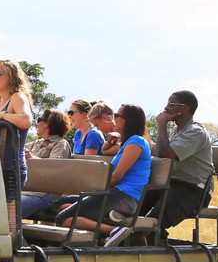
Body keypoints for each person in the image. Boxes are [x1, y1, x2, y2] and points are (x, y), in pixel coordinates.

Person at [55, 103, 152, 246]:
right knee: (58, 204)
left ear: (128, 120)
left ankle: (115, 230)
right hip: (115, 193)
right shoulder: (126, 143)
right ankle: (108, 223)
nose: (114, 118)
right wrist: (109, 141)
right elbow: (105, 151)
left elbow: (117, 176)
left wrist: (91, 189)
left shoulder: (136, 142)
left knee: (62, 218)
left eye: (117, 115)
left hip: (125, 197)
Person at [147, 90, 214, 235]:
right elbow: (158, 149)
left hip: (194, 189)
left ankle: (153, 242)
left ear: (185, 108)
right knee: (136, 209)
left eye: (171, 104)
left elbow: (165, 153)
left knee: (152, 223)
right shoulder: (177, 131)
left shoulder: (196, 132)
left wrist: (162, 124)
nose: (166, 108)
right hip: (173, 184)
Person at [20, 109, 72, 219]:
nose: (36, 123)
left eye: (39, 120)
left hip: (44, 194)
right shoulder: (38, 143)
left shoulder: (60, 144)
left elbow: (54, 167)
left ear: (47, 123)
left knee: (9, 209)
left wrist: (32, 157)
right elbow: (18, 148)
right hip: (26, 190)